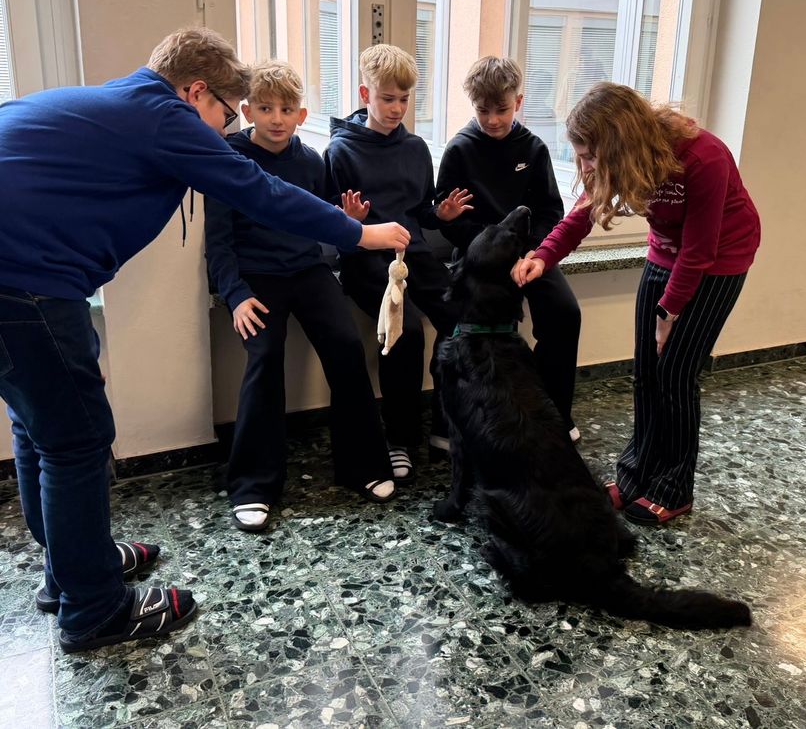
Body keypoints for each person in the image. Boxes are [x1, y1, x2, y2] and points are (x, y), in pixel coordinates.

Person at [0, 27, 410, 653]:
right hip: (23, 283)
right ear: (195, 92)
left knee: (40, 428)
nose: (224, 128)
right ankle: (92, 609)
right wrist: (364, 236)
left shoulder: (117, 106)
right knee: (77, 441)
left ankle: (72, 570)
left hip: (32, 277)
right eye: (224, 112)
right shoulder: (165, 118)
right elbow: (259, 191)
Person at [513, 82, 760, 526]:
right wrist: (542, 256)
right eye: (581, 155)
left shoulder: (704, 157)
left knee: (677, 374)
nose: (586, 166)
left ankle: (674, 486)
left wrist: (669, 314)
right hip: (665, 254)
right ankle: (635, 474)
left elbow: (700, 250)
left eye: (591, 156)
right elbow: (580, 216)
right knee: (646, 370)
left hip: (720, 260)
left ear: (620, 143)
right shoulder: (612, 161)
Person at [205, 61, 397, 532]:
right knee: (264, 358)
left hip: (308, 270)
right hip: (256, 278)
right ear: (247, 110)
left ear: (302, 113)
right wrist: (236, 295)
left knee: (347, 347)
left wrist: (348, 217)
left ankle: (364, 465)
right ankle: (252, 484)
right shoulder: (230, 159)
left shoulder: (312, 160)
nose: (275, 118)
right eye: (265, 108)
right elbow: (218, 241)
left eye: (286, 109)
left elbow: (327, 218)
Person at [324, 44, 473, 476]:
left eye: (405, 99)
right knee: (404, 330)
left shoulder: (415, 148)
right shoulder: (340, 152)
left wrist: (439, 215)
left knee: (462, 318)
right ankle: (399, 437)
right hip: (368, 261)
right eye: (388, 98)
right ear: (364, 93)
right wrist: (347, 221)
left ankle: (446, 423)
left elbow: (421, 210)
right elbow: (334, 232)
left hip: (415, 254)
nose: (397, 108)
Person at [437, 56, 581, 441]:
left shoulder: (533, 149)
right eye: (483, 110)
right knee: (454, 326)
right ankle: (447, 424)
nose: (493, 119)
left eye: (501, 109)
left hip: (526, 256)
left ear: (518, 102)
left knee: (565, 314)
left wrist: (530, 254)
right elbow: (449, 219)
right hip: (477, 258)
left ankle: (552, 413)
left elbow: (551, 210)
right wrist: (475, 242)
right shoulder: (460, 150)